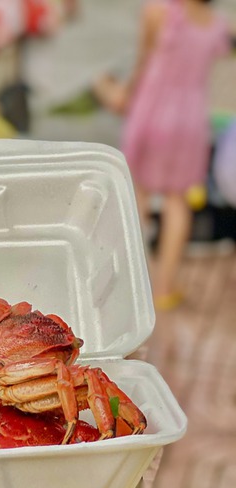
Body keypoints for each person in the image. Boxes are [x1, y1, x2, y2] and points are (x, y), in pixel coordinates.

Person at [94, 0, 231, 311]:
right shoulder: (216, 24)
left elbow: (143, 62)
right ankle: (164, 288)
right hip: (191, 120)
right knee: (177, 200)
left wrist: (124, 95)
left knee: (135, 195)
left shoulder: (158, 11)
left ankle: (127, 284)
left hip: (152, 112)